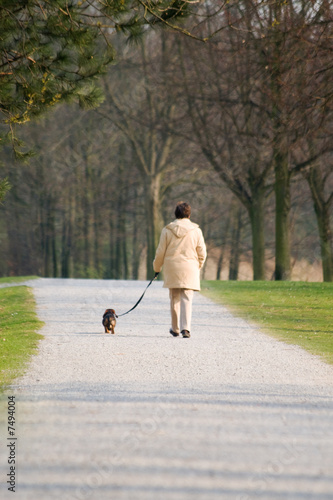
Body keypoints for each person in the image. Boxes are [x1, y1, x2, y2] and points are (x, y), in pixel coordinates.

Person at [153, 202, 207, 338]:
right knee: (187, 297)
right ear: (189, 215)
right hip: (190, 267)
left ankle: (175, 328)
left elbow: (160, 252)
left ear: (175, 214)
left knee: (174, 297)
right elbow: (202, 253)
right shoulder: (196, 231)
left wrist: (157, 268)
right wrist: (198, 266)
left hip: (172, 267)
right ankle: (186, 328)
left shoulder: (167, 230)